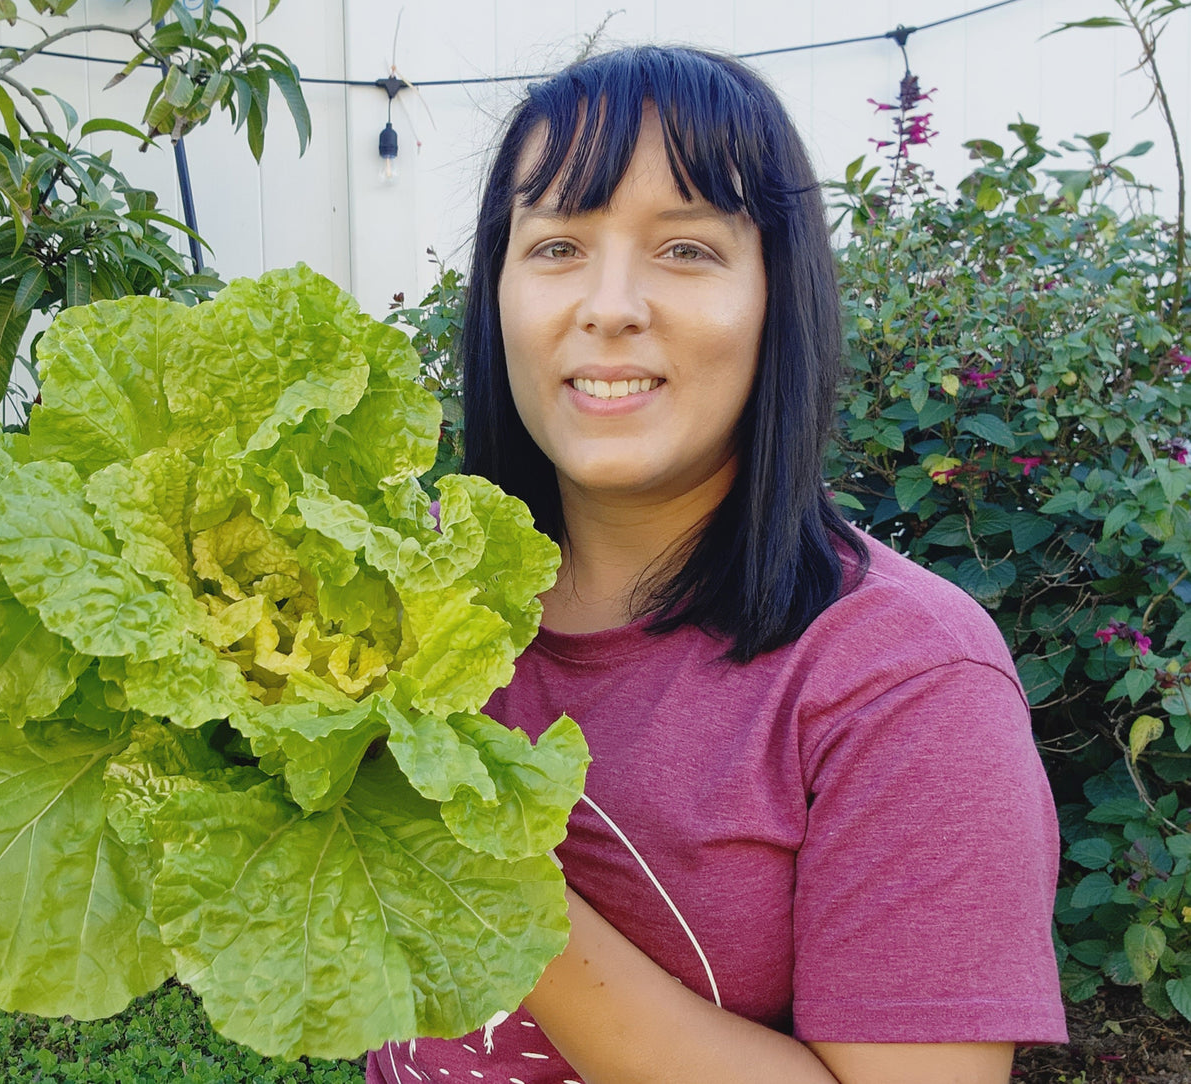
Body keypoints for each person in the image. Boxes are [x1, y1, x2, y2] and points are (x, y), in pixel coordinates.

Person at [366, 45, 1066, 1084]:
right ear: (496, 297)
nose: (607, 305)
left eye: (685, 249)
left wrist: (482, 876)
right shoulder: (394, 591)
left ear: (776, 296)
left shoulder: (903, 682)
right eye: (555, 244)